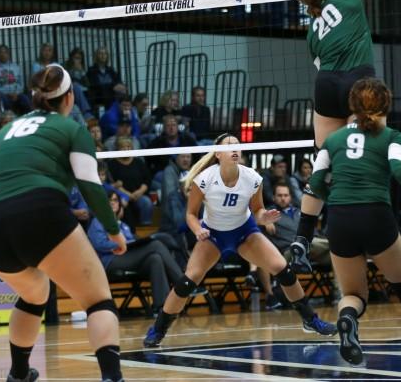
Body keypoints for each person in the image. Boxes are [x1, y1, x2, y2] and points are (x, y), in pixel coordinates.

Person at [0, 64, 126, 382]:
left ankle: (19, 374)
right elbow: (90, 185)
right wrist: (113, 230)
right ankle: (112, 377)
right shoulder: (72, 129)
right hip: (40, 210)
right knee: (97, 300)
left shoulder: (4, 132)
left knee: (34, 294)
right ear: (69, 98)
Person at [144, 133, 336, 348]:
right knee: (187, 282)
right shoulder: (205, 178)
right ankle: (158, 329)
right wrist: (198, 230)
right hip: (213, 235)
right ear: (218, 154)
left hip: (244, 232)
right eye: (228, 146)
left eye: (237, 145)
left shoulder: (252, 177)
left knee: (284, 269)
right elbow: (190, 214)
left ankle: (310, 320)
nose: (234, 148)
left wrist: (264, 217)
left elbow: (257, 211)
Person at [307, 77, 401, 366]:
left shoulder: (332, 140)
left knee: (352, 294)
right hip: (375, 215)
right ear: (386, 104)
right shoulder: (390, 136)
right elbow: (400, 170)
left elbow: (316, 182)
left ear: (352, 105)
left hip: (340, 218)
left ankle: (348, 319)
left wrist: (333, 197)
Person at [286, 0, 374, 275]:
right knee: (366, 157)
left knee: (325, 162)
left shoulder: (313, 27)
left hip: (327, 85)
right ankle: (367, 232)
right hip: (358, 80)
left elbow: (320, 67)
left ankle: (304, 235)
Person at [88, 192, 184, 311]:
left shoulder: (123, 225)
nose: (112, 202)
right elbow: (99, 244)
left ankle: (161, 306)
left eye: (115, 200)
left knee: (155, 258)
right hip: (110, 261)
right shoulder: (98, 221)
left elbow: (131, 241)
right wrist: (120, 244)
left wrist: (130, 243)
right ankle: (182, 283)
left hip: (128, 256)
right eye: (109, 200)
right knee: (155, 244)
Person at [107, 137, 153, 227]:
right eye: (123, 147)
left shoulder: (138, 162)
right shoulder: (112, 164)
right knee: (122, 204)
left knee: (146, 202)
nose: (126, 149)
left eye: (128, 147)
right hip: (121, 195)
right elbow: (113, 182)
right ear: (117, 149)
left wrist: (139, 192)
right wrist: (127, 194)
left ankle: (145, 229)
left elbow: (147, 180)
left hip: (138, 194)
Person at [0, 44, 31, 114]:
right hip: (1, 94)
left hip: (16, 94)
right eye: (1, 52)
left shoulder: (15, 66)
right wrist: (7, 93)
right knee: (3, 100)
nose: (3, 54)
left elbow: (21, 83)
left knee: (25, 99)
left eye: (5, 52)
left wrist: (16, 93)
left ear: (9, 54)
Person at [86, 47, 122, 111]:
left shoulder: (110, 70)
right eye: (100, 53)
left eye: (105, 53)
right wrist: (112, 86)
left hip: (112, 94)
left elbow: (118, 81)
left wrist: (119, 86)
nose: (103, 56)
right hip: (99, 95)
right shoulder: (92, 70)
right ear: (96, 56)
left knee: (122, 90)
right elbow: (95, 85)